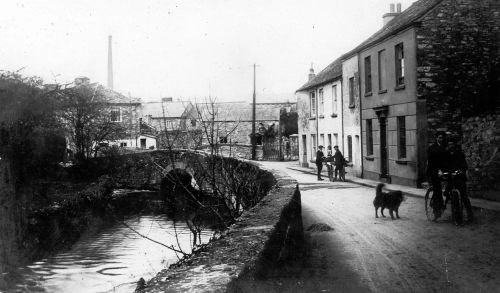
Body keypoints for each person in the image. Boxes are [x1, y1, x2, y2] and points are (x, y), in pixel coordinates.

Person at [445, 140, 473, 223]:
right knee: (449, 194)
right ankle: (456, 216)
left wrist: (461, 171)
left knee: (464, 196)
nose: (451, 146)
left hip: (459, 177)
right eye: (449, 144)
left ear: (455, 145)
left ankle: (470, 215)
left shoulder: (459, 154)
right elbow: (444, 164)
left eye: (452, 144)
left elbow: (464, 165)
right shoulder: (446, 154)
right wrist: (444, 171)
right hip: (451, 177)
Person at [426, 132, 447, 221]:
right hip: (434, 172)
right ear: (436, 138)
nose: (441, 139)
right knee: (437, 191)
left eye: (442, 138)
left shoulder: (445, 147)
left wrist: (444, 170)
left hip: (443, 171)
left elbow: (446, 161)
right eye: (439, 137)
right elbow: (431, 162)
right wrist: (437, 170)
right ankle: (436, 212)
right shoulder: (432, 148)